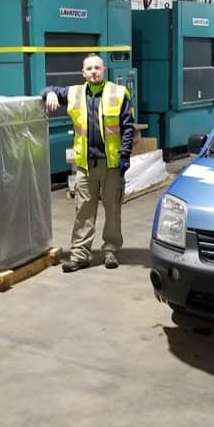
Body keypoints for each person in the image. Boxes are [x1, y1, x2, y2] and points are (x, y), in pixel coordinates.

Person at [41, 54, 135, 272]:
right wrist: (50, 94)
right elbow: (45, 90)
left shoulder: (119, 93)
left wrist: (125, 157)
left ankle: (110, 251)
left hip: (111, 165)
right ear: (83, 73)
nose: (94, 71)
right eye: (89, 68)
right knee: (83, 211)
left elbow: (128, 128)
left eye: (98, 68)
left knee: (112, 210)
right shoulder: (74, 93)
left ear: (104, 71)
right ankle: (80, 255)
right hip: (85, 165)